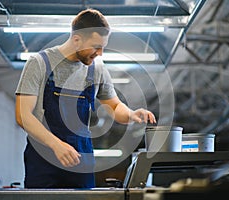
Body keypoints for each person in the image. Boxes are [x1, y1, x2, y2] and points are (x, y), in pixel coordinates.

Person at [15, 8, 156, 189]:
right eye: (96, 47)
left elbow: (114, 106)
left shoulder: (96, 68)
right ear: (76, 40)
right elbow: (22, 115)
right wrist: (56, 145)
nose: (100, 53)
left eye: (103, 47)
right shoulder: (39, 63)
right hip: (43, 160)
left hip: (81, 161)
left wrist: (131, 114)